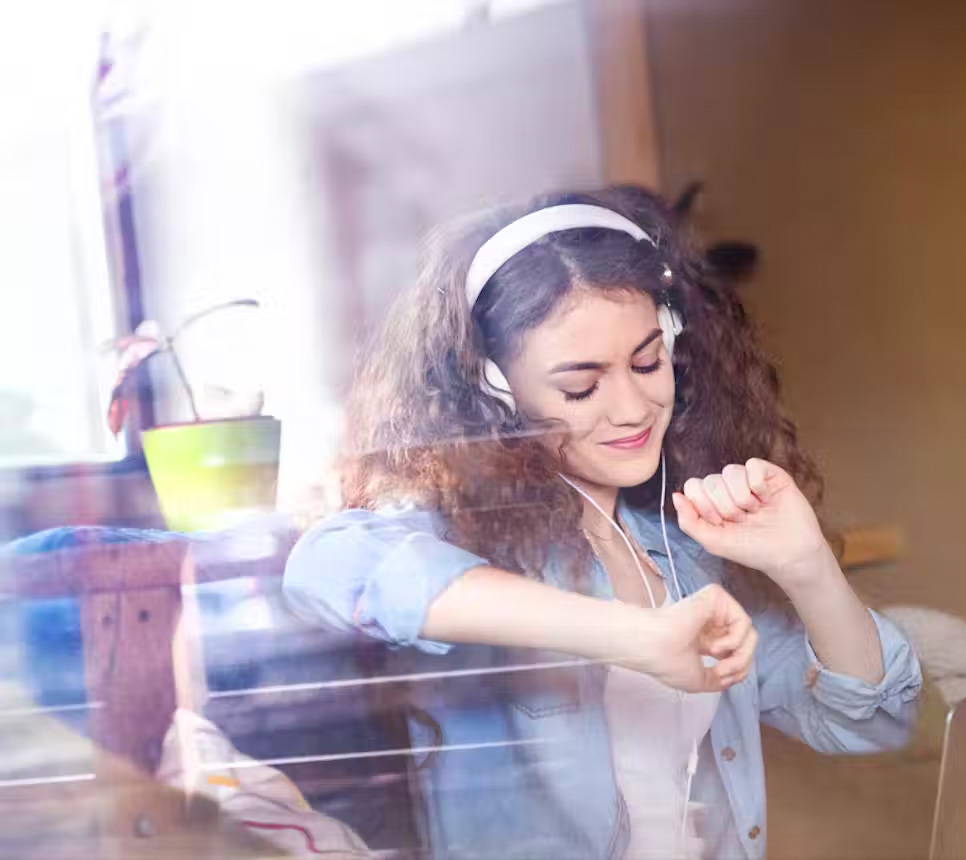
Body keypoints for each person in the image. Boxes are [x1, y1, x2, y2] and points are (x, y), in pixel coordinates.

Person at [283, 186, 922, 859]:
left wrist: (808, 567)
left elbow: (872, 720)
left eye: (648, 362)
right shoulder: (470, 544)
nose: (631, 407)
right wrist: (632, 637)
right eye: (581, 386)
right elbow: (328, 564)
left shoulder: (684, 554)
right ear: (496, 389)